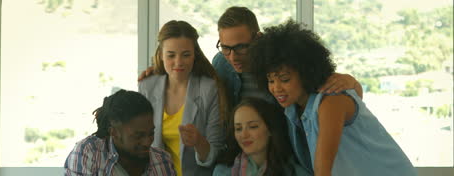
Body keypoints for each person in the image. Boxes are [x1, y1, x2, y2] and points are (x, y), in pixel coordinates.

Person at [249, 20, 428, 176]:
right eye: (271, 80)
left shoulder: (330, 102)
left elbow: (324, 166)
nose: (276, 87)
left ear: (306, 72)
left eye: (284, 78)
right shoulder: (294, 110)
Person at [139, 7, 362, 110]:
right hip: (242, 155)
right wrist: (158, 70)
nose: (232, 57)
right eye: (225, 48)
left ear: (258, 38)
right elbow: (187, 70)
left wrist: (351, 82)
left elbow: (328, 90)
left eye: (241, 48)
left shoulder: (279, 64)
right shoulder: (221, 63)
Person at [139, 20, 226, 176]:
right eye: (171, 55)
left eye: (186, 55)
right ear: (161, 55)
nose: (178, 62)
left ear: (194, 55)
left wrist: (199, 142)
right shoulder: (147, 87)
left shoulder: (208, 89)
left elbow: (215, 154)